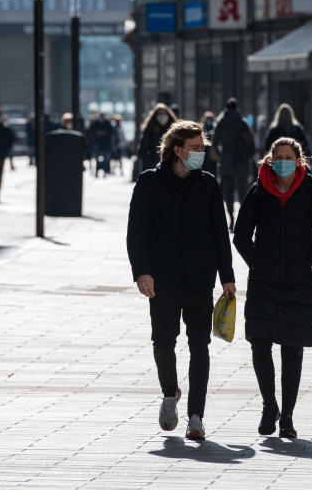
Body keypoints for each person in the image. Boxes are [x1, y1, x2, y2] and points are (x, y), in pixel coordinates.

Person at [126, 120, 236, 442]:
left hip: (200, 279)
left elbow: (219, 235)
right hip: (161, 279)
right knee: (163, 342)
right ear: (177, 149)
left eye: (203, 147)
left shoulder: (209, 185)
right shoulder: (149, 183)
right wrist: (141, 271)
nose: (201, 153)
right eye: (195, 148)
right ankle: (169, 393)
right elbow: (137, 232)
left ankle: (196, 417)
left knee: (200, 345)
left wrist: (227, 278)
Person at [233, 137, 312, 438]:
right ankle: (269, 405)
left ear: (298, 160)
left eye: (289, 157)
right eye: (277, 156)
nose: (283, 161)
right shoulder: (258, 191)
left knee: (292, 348)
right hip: (264, 281)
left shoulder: (311, 191)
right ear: (269, 160)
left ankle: (288, 416)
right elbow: (241, 235)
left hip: (299, 281)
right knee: (259, 342)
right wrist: (256, 262)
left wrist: (311, 262)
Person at [213, 98, 256, 231]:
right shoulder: (242, 123)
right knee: (243, 191)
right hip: (241, 161)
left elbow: (214, 143)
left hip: (226, 161)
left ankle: (231, 218)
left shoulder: (221, 122)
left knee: (228, 193)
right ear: (237, 108)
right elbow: (251, 144)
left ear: (226, 108)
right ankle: (242, 220)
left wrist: (222, 156)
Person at [137, 104, 177, 173]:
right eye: (160, 114)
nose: (162, 116)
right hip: (153, 168)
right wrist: (150, 164)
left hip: (171, 167)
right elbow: (142, 150)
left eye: (164, 113)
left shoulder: (174, 129)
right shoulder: (149, 129)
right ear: (155, 116)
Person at [87, 112, 116, 178]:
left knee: (106, 159)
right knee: (97, 159)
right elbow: (91, 131)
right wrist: (97, 134)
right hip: (98, 143)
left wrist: (105, 133)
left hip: (105, 143)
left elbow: (111, 131)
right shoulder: (96, 123)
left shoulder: (106, 122)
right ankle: (97, 172)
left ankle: (105, 171)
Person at [200, 111, 218, 176]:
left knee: (213, 171)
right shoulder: (201, 128)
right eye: (208, 119)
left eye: (210, 119)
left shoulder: (215, 128)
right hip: (204, 153)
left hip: (212, 153)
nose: (209, 121)